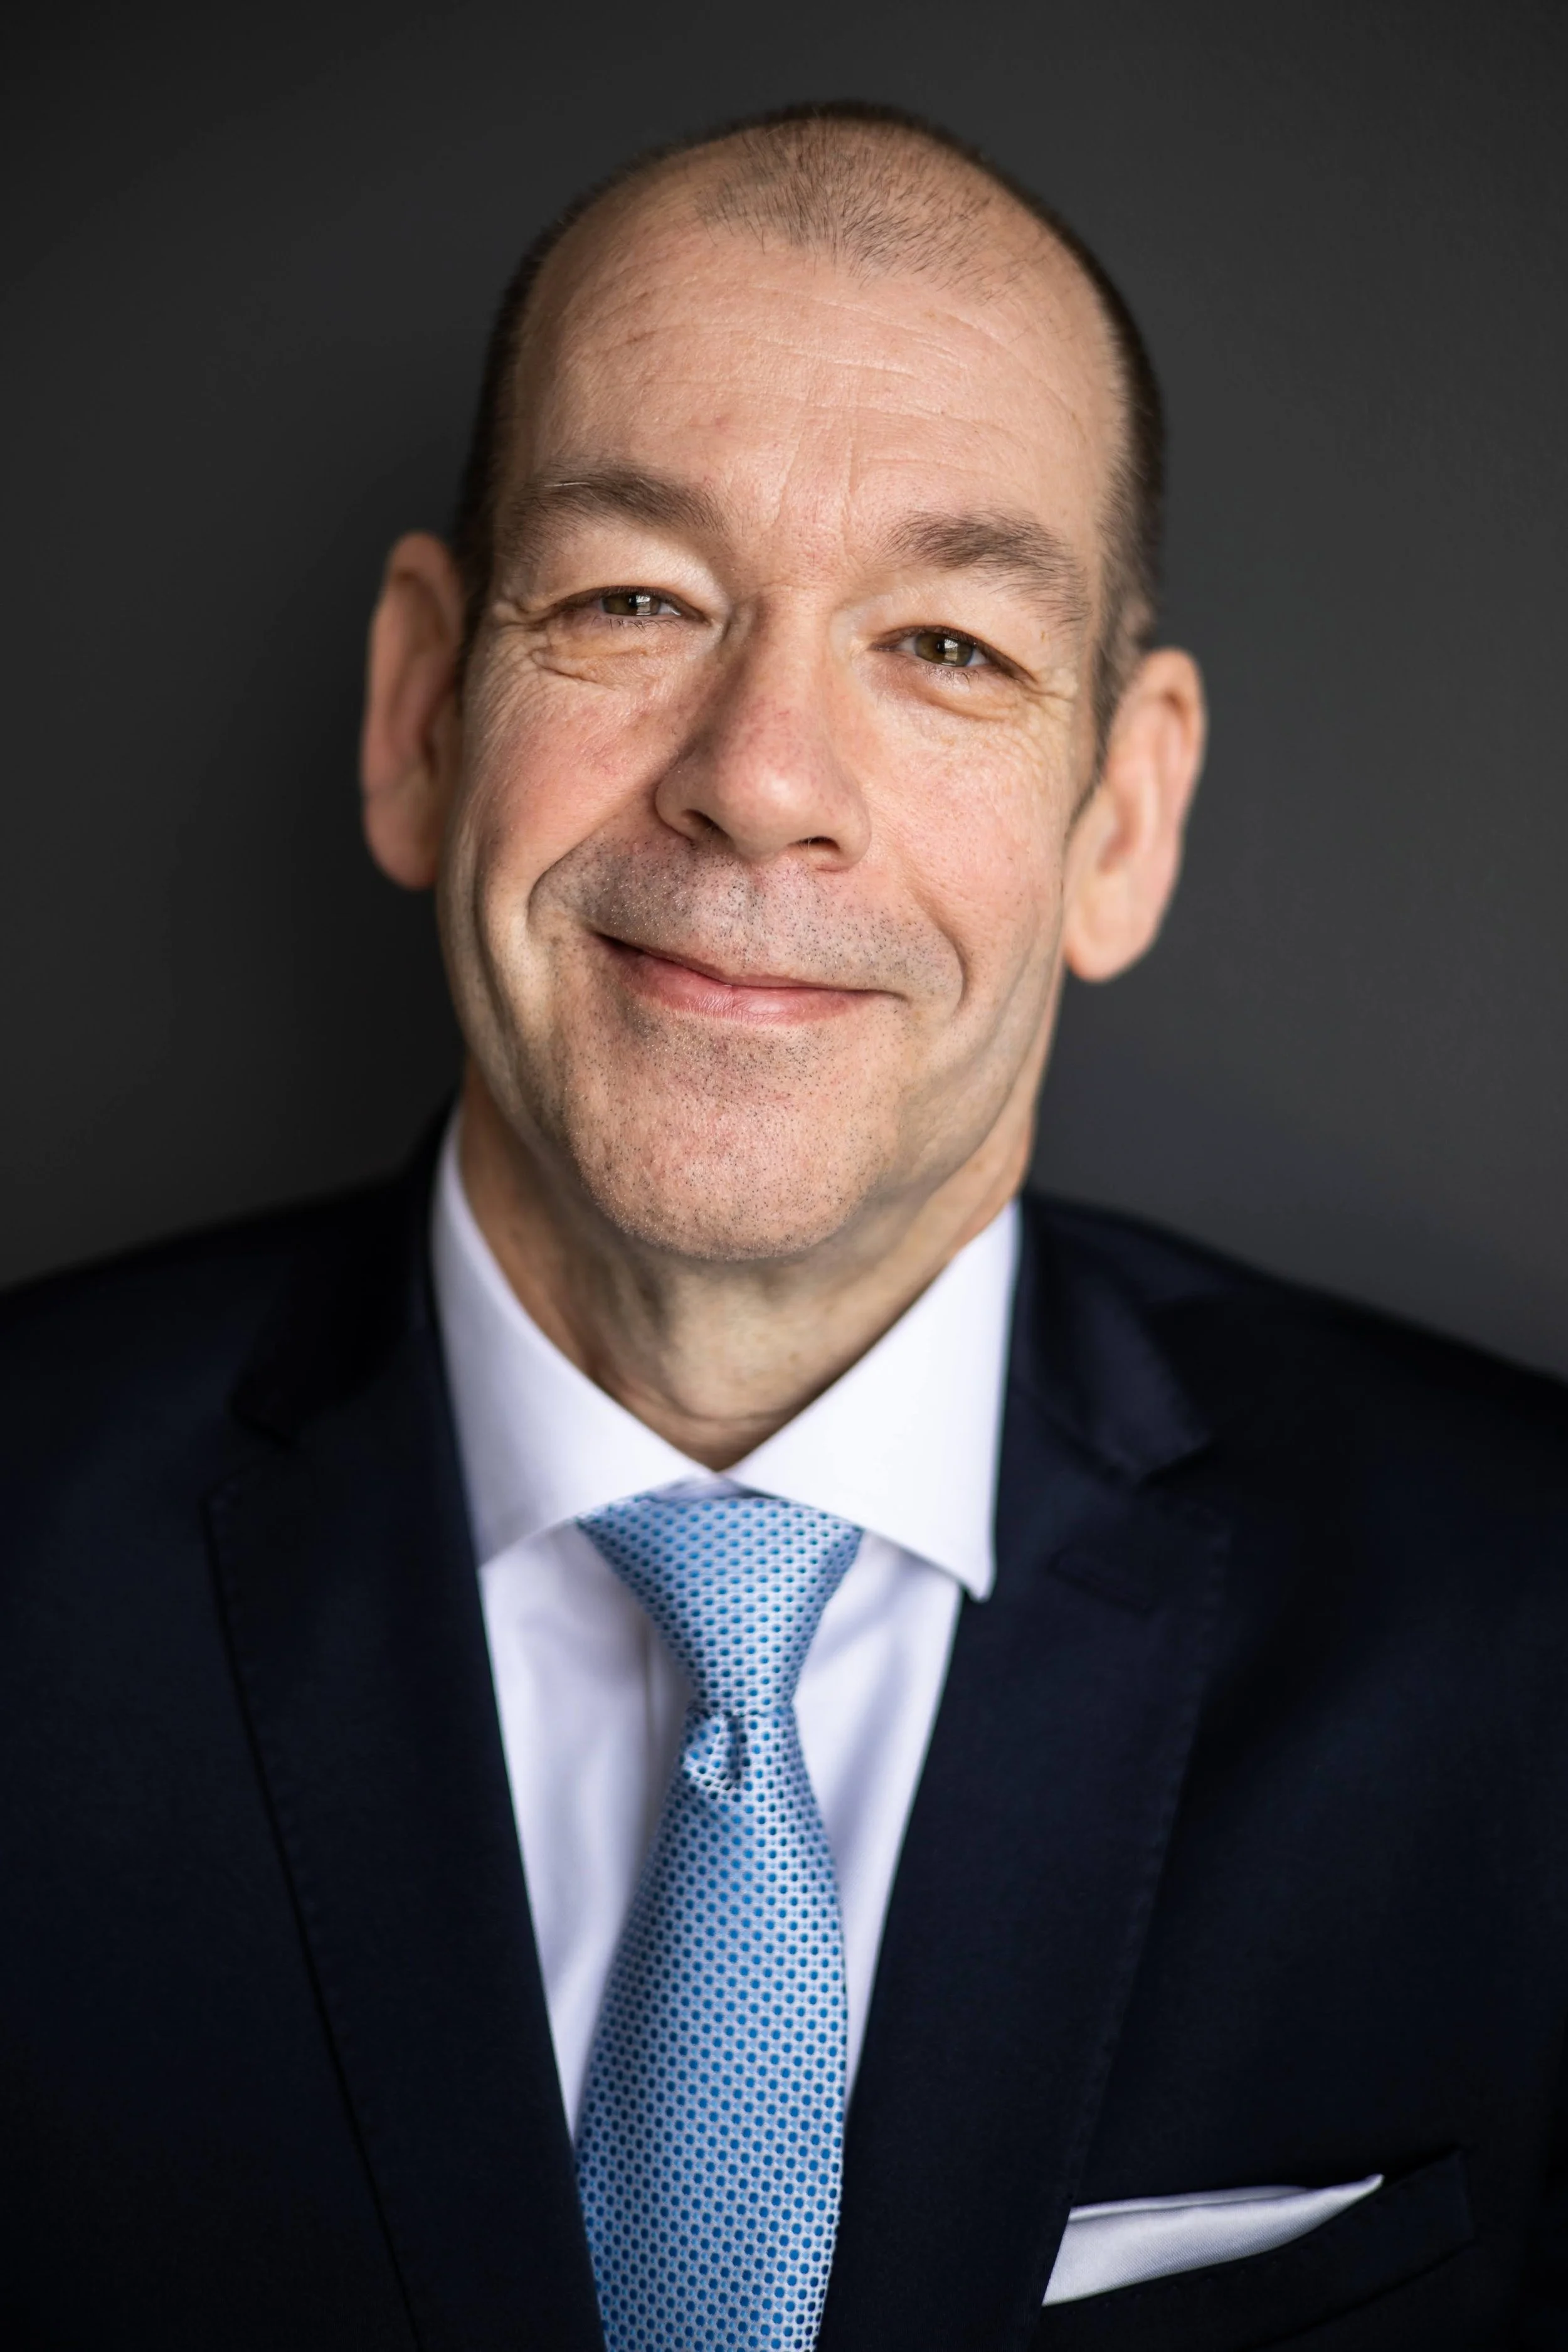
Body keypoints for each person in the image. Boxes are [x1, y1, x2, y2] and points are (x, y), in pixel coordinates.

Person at [1, 100, 1565, 2352]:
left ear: (1121, 816)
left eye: (941, 646)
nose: (759, 774)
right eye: (634, 597)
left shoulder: (1522, 1641)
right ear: (424, 708)